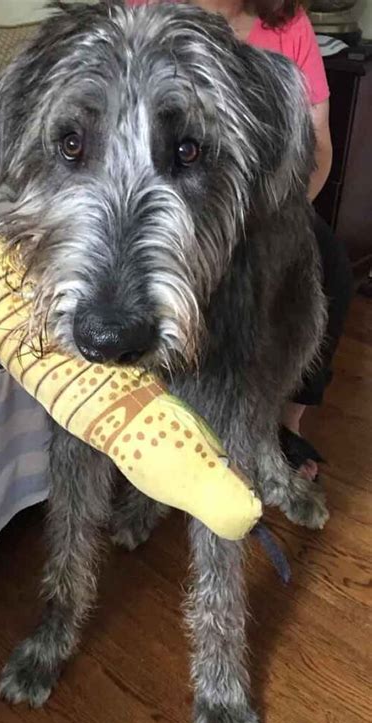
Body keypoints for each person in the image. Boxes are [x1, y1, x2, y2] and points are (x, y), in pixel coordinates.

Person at [128, 0, 354, 480]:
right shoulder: (144, 9)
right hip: (174, 197)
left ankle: (282, 423)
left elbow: (318, 142)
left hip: (269, 204)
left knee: (327, 267)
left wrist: (278, 213)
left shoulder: (290, 23)